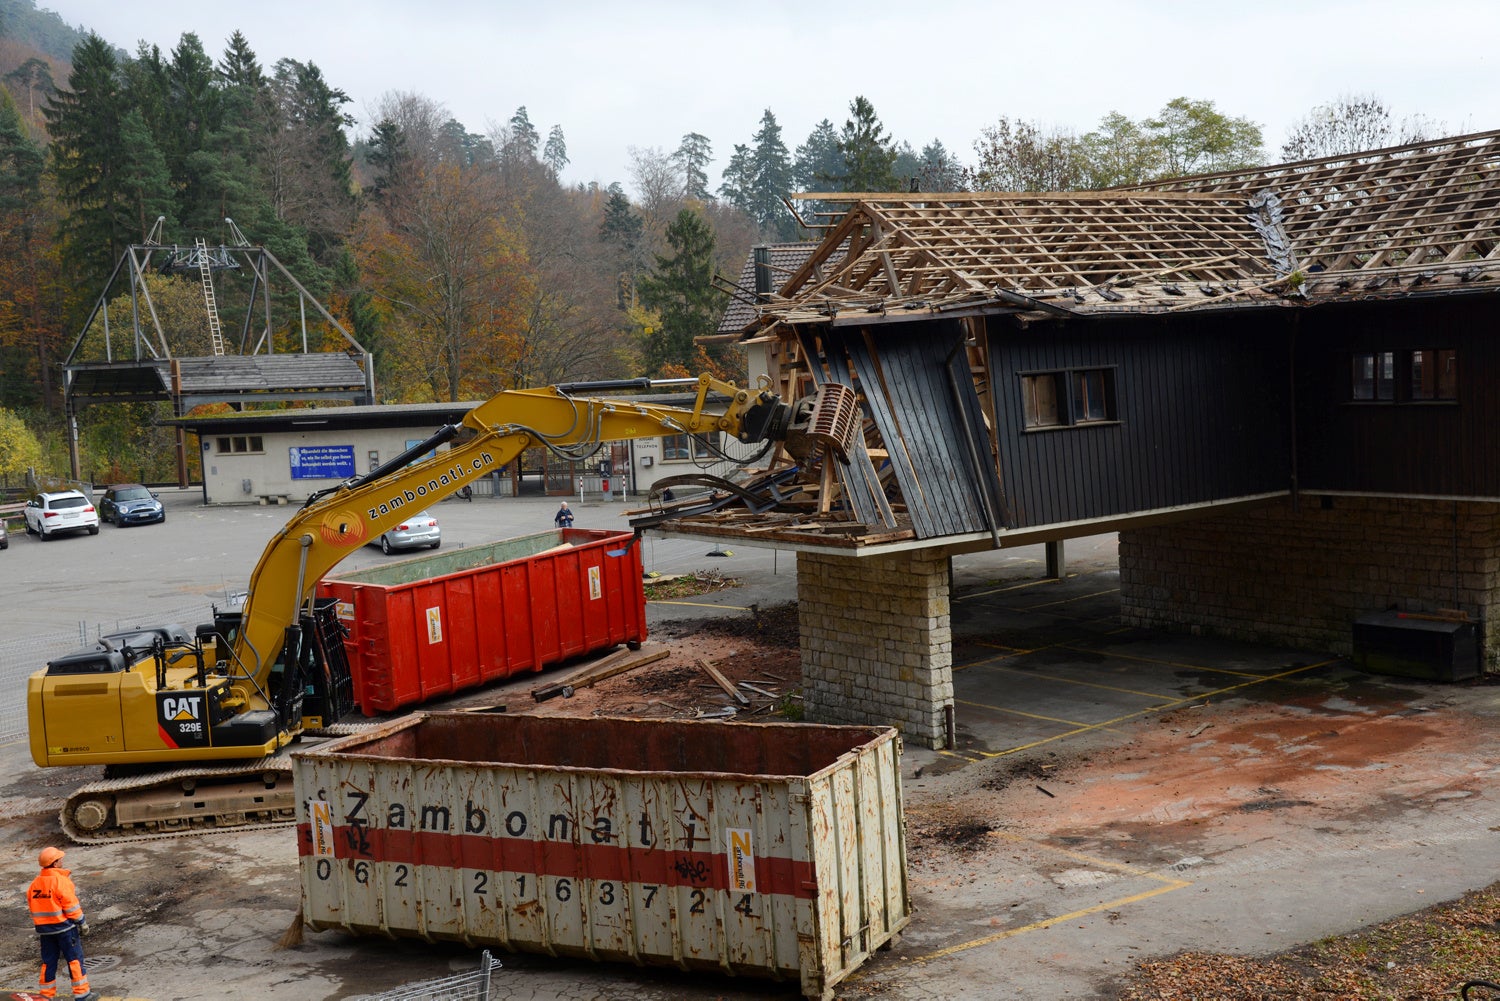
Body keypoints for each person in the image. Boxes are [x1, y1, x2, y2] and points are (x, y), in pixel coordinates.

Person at [28, 846, 97, 1001]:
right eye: (60, 859)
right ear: (55, 863)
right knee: (74, 961)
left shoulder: (35, 883)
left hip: (45, 931)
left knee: (48, 962)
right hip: (64, 929)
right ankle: (82, 994)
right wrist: (82, 922)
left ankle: (46, 995)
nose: (62, 860)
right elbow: (71, 905)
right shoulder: (60, 881)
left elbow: (32, 905)